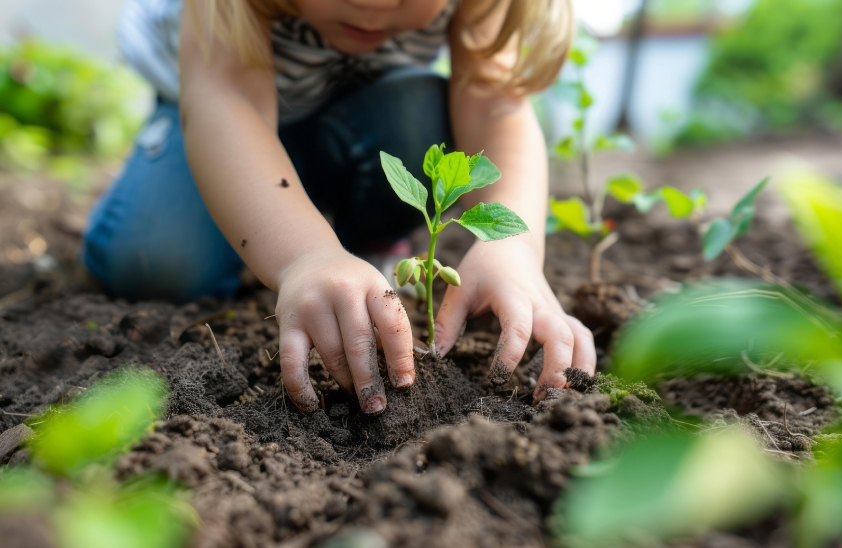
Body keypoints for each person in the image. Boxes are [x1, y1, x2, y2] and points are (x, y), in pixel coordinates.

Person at [83, 0, 596, 416]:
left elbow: (494, 100)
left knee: (417, 119)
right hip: (217, 113)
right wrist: (302, 257)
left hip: (362, 114)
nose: (372, 4)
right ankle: (271, 225)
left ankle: (356, 246)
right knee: (155, 260)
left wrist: (512, 249)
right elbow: (226, 100)